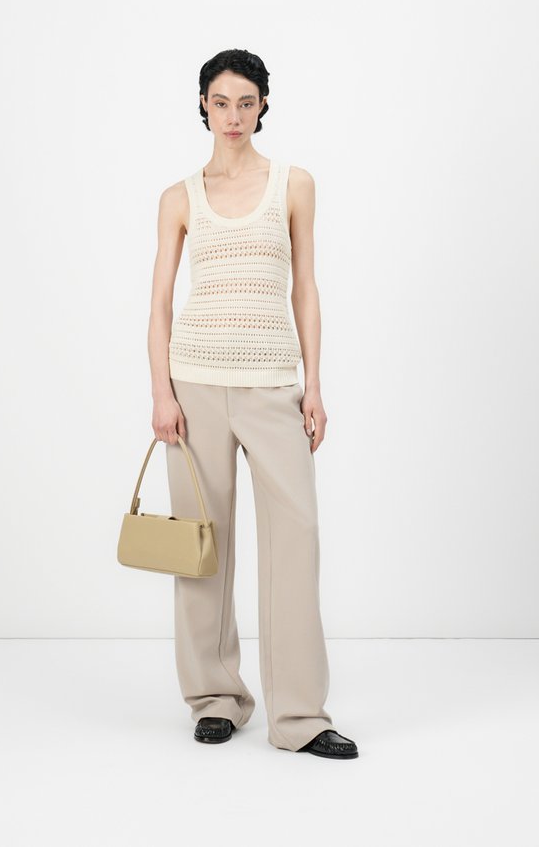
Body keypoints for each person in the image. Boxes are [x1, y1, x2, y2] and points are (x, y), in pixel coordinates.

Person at [147, 48, 358, 759]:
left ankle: (300, 716)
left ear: (263, 104)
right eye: (220, 102)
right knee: (201, 550)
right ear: (203, 106)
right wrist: (161, 392)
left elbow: (306, 288)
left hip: (273, 386)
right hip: (194, 388)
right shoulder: (179, 197)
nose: (232, 116)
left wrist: (314, 385)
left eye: (245, 102)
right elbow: (159, 304)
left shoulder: (294, 184)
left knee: (296, 540)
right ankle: (216, 699)